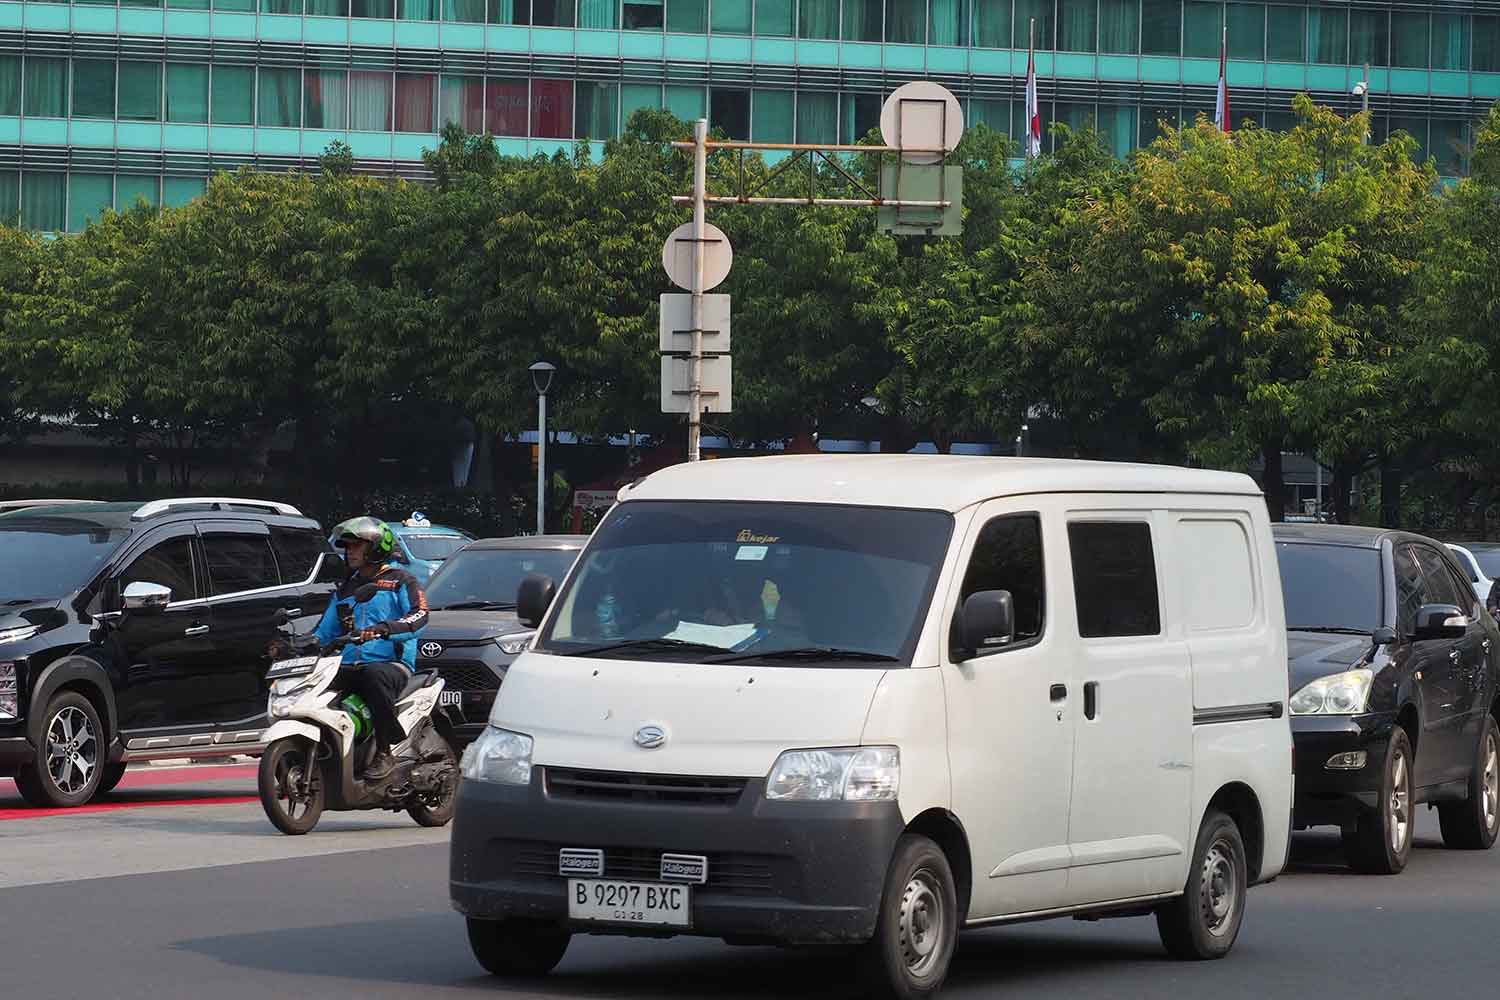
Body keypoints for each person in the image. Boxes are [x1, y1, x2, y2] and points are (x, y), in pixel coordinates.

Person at [314, 516, 430, 780]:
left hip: (391, 665)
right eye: (347, 546)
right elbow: (325, 631)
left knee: (373, 676)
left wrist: (385, 630)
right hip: (348, 664)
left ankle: (384, 750)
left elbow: (420, 616)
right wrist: (296, 644)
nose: (350, 551)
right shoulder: (346, 587)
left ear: (375, 548)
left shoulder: (402, 580)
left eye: (356, 546)